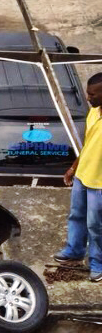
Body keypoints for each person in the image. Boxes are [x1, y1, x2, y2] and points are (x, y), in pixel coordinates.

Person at [53, 73, 102, 282]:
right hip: (83, 175)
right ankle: (75, 250)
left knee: (96, 225)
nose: (88, 98)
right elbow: (88, 144)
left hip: (99, 183)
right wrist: (74, 167)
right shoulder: (93, 113)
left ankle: (97, 264)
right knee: (76, 215)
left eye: (92, 94)